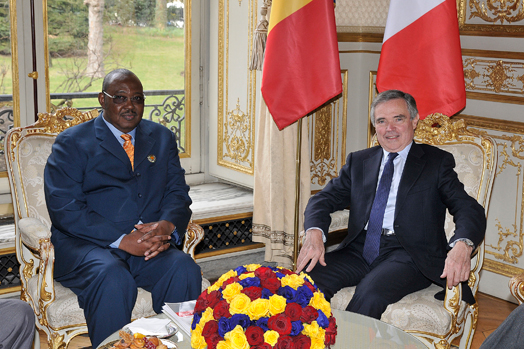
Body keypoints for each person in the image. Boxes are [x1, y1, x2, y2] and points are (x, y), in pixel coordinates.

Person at [44, 69, 202, 347]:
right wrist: (123, 240)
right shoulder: (72, 142)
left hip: (148, 245)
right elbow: (64, 207)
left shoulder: (162, 137)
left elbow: (177, 193)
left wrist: (167, 226)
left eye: (137, 98)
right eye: (120, 98)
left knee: (183, 267)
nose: (129, 105)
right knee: (113, 279)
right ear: (102, 100)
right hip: (89, 246)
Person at [296, 89, 486, 319]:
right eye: (381, 121)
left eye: (398, 119)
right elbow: (322, 199)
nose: (390, 128)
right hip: (360, 248)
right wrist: (314, 233)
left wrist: (463, 245)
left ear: (414, 121)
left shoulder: (435, 163)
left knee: (370, 293)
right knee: (303, 282)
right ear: (374, 127)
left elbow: (467, 208)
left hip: (408, 253)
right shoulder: (359, 161)